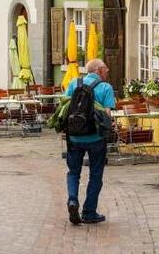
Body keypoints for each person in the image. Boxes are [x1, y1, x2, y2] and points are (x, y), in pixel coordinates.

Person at [63, 58, 115, 225]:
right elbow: (107, 114)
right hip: (96, 138)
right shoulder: (106, 87)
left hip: (75, 137)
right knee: (96, 174)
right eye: (105, 69)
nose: (107, 71)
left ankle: (72, 200)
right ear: (99, 70)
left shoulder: (74, 83)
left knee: (73, 172)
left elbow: (64, 108)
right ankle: (89, 212)